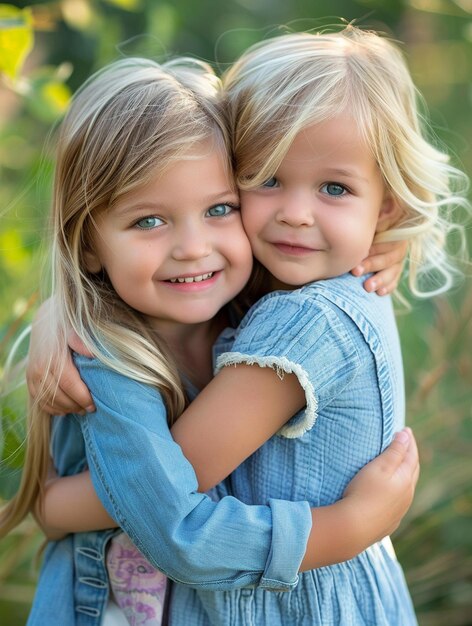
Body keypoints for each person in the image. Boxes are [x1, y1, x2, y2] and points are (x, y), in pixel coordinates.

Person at [0, 54, 418, 626]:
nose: (194, 247)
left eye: (220, 208)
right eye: (150, 220)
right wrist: (348, 528)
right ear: (88, 244)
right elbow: (173, 522)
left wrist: (395, 238)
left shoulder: (260, 298)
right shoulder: (106, 361)